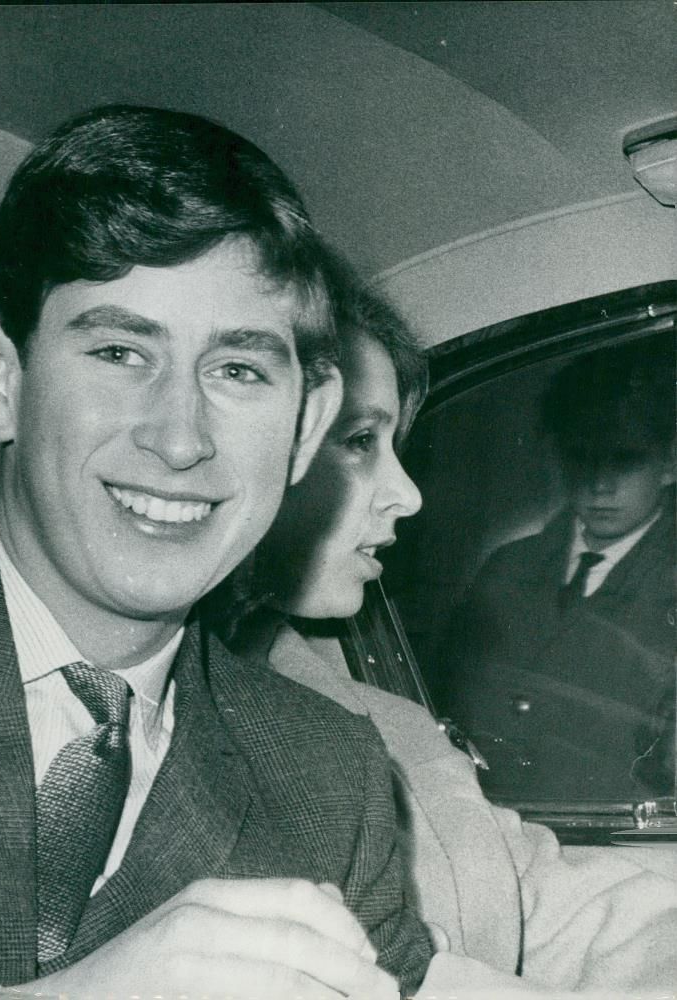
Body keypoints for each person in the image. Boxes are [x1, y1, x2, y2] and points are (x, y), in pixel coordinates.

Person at [0, 104, 433, 998]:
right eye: (122, 351)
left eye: (238, 371)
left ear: (303, 427)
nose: (179, 440)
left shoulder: (332, 780)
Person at [226, 274, 677, 997]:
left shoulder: (382, 717)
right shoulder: (169, 723)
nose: (409, 493)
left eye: (392, 442)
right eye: (359, 441)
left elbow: (529, 889)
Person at [435, 338, 675, 801]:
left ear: (668, 462)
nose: (600, 483)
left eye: (624, 458)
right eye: (582, 458)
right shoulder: (506, 568)